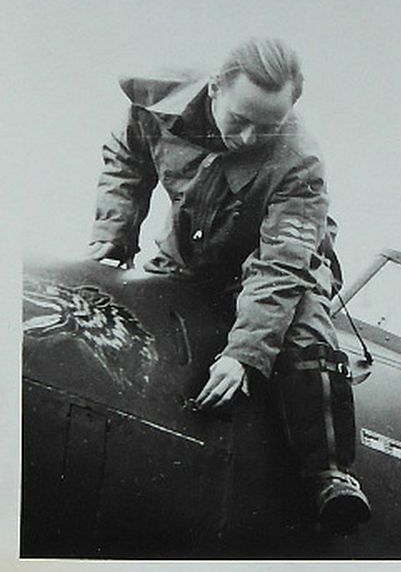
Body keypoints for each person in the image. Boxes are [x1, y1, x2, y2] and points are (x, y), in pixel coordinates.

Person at [87, 37, 371, 533]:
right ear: (215, 87)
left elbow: (280, 268)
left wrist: (244, 355)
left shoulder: (300, 162)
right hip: (190, 251)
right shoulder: (158, 94)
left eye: (268, 127)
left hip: (279, 261)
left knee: (305, 329)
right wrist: (113, 238)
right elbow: (127, 157)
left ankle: (329, 473)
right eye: (239, 119)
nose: (248, 137)